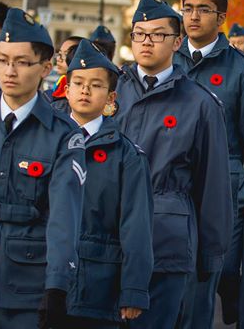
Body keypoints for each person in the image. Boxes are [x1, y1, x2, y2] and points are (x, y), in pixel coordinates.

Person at [0, 8, 86, 328]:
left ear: (45, 68)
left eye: (21, 62)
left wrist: (56, 287)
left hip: (26, 288)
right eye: (2, 60)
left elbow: (64, 219)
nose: (9, 71)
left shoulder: (63, 134)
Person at [116, 0, 232, 329]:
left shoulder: (198, 103)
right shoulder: (113, 91)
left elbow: (213, 184)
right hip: (109, 239)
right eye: (139, 33)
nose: (146, 42)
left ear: (177, 41)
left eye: (157, 34)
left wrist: (211, 255)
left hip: (166, 237)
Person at [172, 0, 244, 329]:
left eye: (203, 9)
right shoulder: (167, 64)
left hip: (220, 192)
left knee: (211, 276)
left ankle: (230, 294)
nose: (194, 17)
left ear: (221, 18)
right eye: (188, 9)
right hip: (167, 188)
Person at [64, 40, 154, 328]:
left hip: (99, 284)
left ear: (111, 97)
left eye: (95, 85)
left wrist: (134, 290)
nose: (85, 91)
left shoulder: (126, 155)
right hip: (39, 282)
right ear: (66, 90)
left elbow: (136, 227)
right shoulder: (45, 142)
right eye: (77, 83)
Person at [48, 36, 84, 102]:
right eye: (59, 54)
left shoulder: (82, 92)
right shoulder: (59, 84)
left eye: (66, 55)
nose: (59, 59)